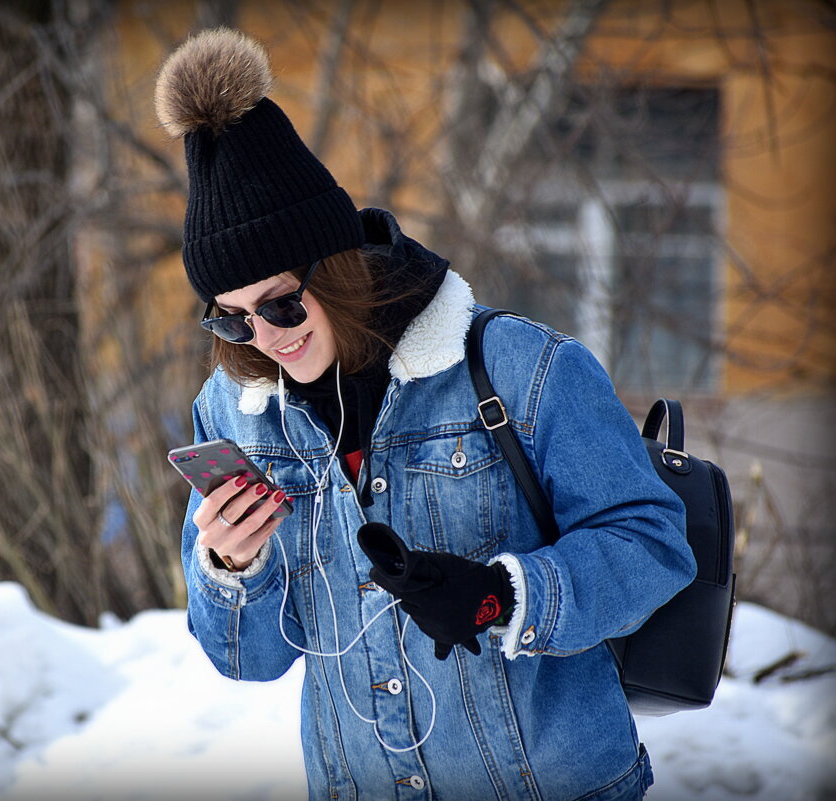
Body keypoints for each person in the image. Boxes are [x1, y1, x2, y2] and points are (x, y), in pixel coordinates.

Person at [155, 27, 695, 801]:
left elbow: (652, 546)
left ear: (335, 267)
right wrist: (231, 571)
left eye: (278, 301)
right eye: (231, 319)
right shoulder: (233, 414)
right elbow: (248, 661)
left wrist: (503, 597)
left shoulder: (519, 367)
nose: (264, 336)